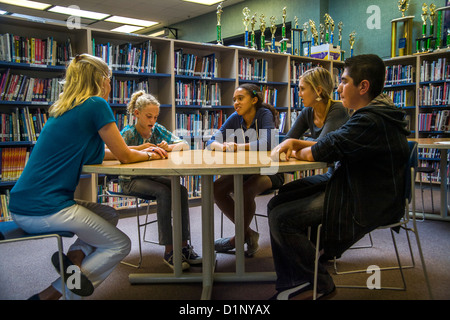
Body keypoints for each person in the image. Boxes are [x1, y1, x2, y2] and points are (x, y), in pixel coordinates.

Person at [8, 53, 164, 300]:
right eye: (110, 79)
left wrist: (140, 150)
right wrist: (151, 156)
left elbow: (100, 154)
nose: (110, 85)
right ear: (102, 79)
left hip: (24, 203)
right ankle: (50, 294)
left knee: (108, 214)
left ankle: (74, 258)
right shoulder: (95, 104)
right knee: (120, 244)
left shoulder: (64, 109)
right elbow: (123, 155)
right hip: (44, 208)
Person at [269, 54, 410, 300]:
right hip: (354, 184)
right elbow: (331, 143)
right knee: (281, 198)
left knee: (282, 217)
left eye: (344, 81)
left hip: (367, 198)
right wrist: (296, 143)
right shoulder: (372, 111)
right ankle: (295, 276)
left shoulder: (370, 119)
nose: (339, 88)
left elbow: (323, 149)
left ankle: (318, 283)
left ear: (363, 87)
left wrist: (301, 149)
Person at [119, 90, 201, 270]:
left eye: (155, 117)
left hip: (152, 177)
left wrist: (169, 146)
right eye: (149, 116)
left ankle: (184, 246)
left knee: (180, 190)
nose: (152, 121)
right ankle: (169, 251)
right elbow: (119, 154)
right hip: (130, 180)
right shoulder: (128, 133)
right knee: (164, 192)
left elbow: (185, 145)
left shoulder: (157, 130)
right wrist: (141, 149)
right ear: (137, 114)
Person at [206, 83, 283, 257]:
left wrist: (237, 147)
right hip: (245, 170)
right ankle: (249, 234)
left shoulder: (264, 114)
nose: (236, 103)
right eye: (234, 100)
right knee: (216, 188)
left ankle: (237, 238)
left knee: (246, 190)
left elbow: (268, 143)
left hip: (270, 170)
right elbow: (211, 141)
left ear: (254, 100)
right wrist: (221, 146)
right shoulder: (236, 117)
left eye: (241, 98)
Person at [278, 66, 349, 190]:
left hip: (343, 178)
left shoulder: (338, 109)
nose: (299, 94)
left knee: (289, 195)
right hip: (330, 175)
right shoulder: (308, 111)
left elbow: (321, 145)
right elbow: (287, 140)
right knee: (285, 189)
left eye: (302, 89)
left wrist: (294, 148)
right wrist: (295, 145)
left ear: (318, 90)